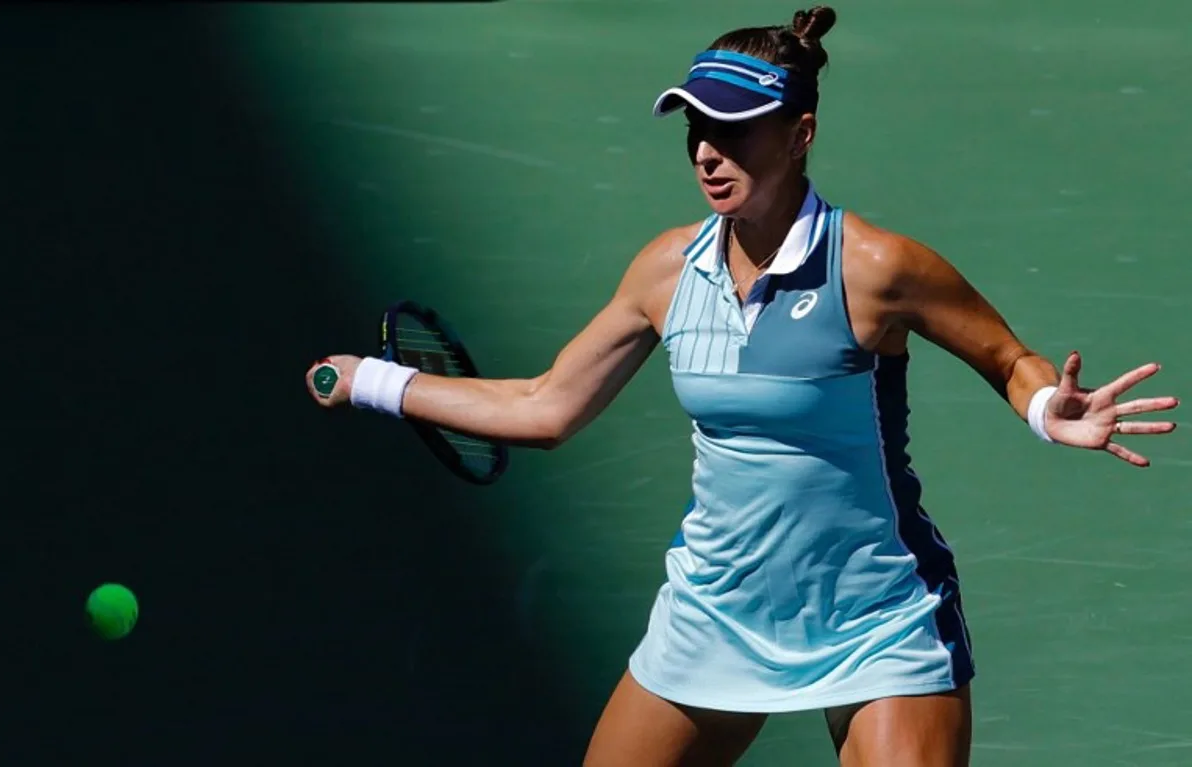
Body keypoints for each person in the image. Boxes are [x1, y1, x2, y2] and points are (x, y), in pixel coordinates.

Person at [305, 6, 1179, 765]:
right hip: (716, 610)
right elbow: (547, 405)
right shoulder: (664, 270)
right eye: (696, 130)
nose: (708, 153)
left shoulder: (876, 268)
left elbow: (1003, 355)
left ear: (800, 132)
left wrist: (1042, 406)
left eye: (736, 129)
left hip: (875, 616)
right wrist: (374, 380)